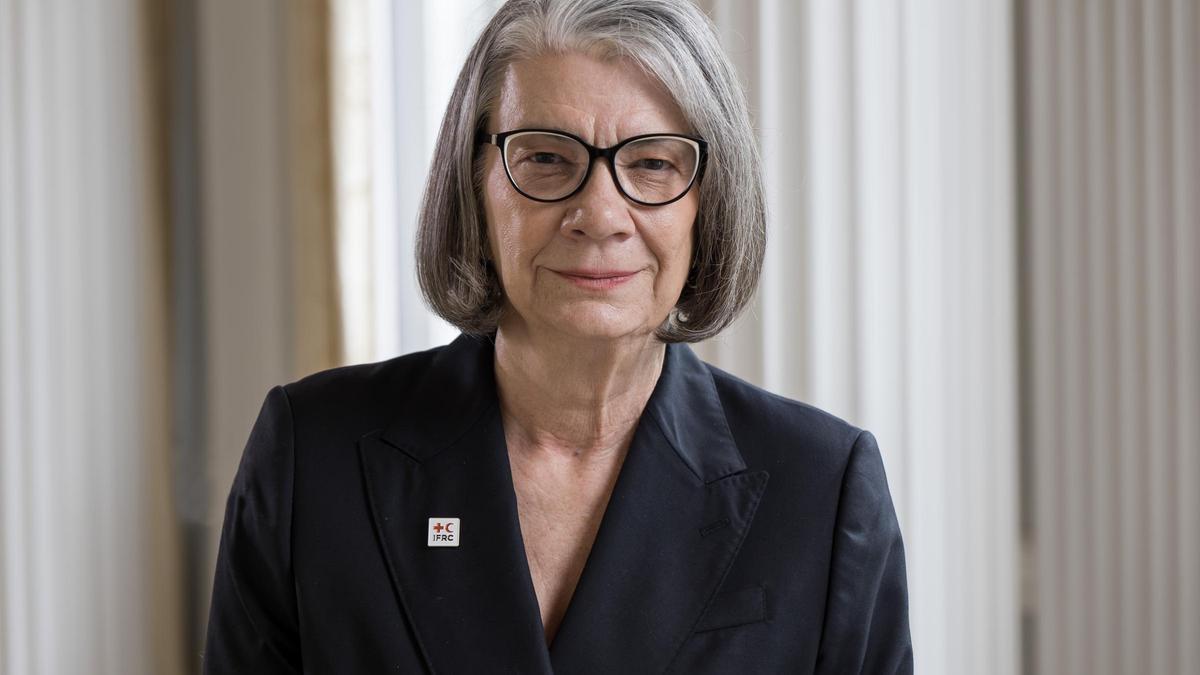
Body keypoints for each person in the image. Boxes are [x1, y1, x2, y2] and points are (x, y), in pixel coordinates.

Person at [201, 0, 913, 672]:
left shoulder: (823, 489)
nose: (600, 214)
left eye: (652, 163)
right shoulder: (313, 458)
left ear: (708, 199)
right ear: (473, 185)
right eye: (546, 158)